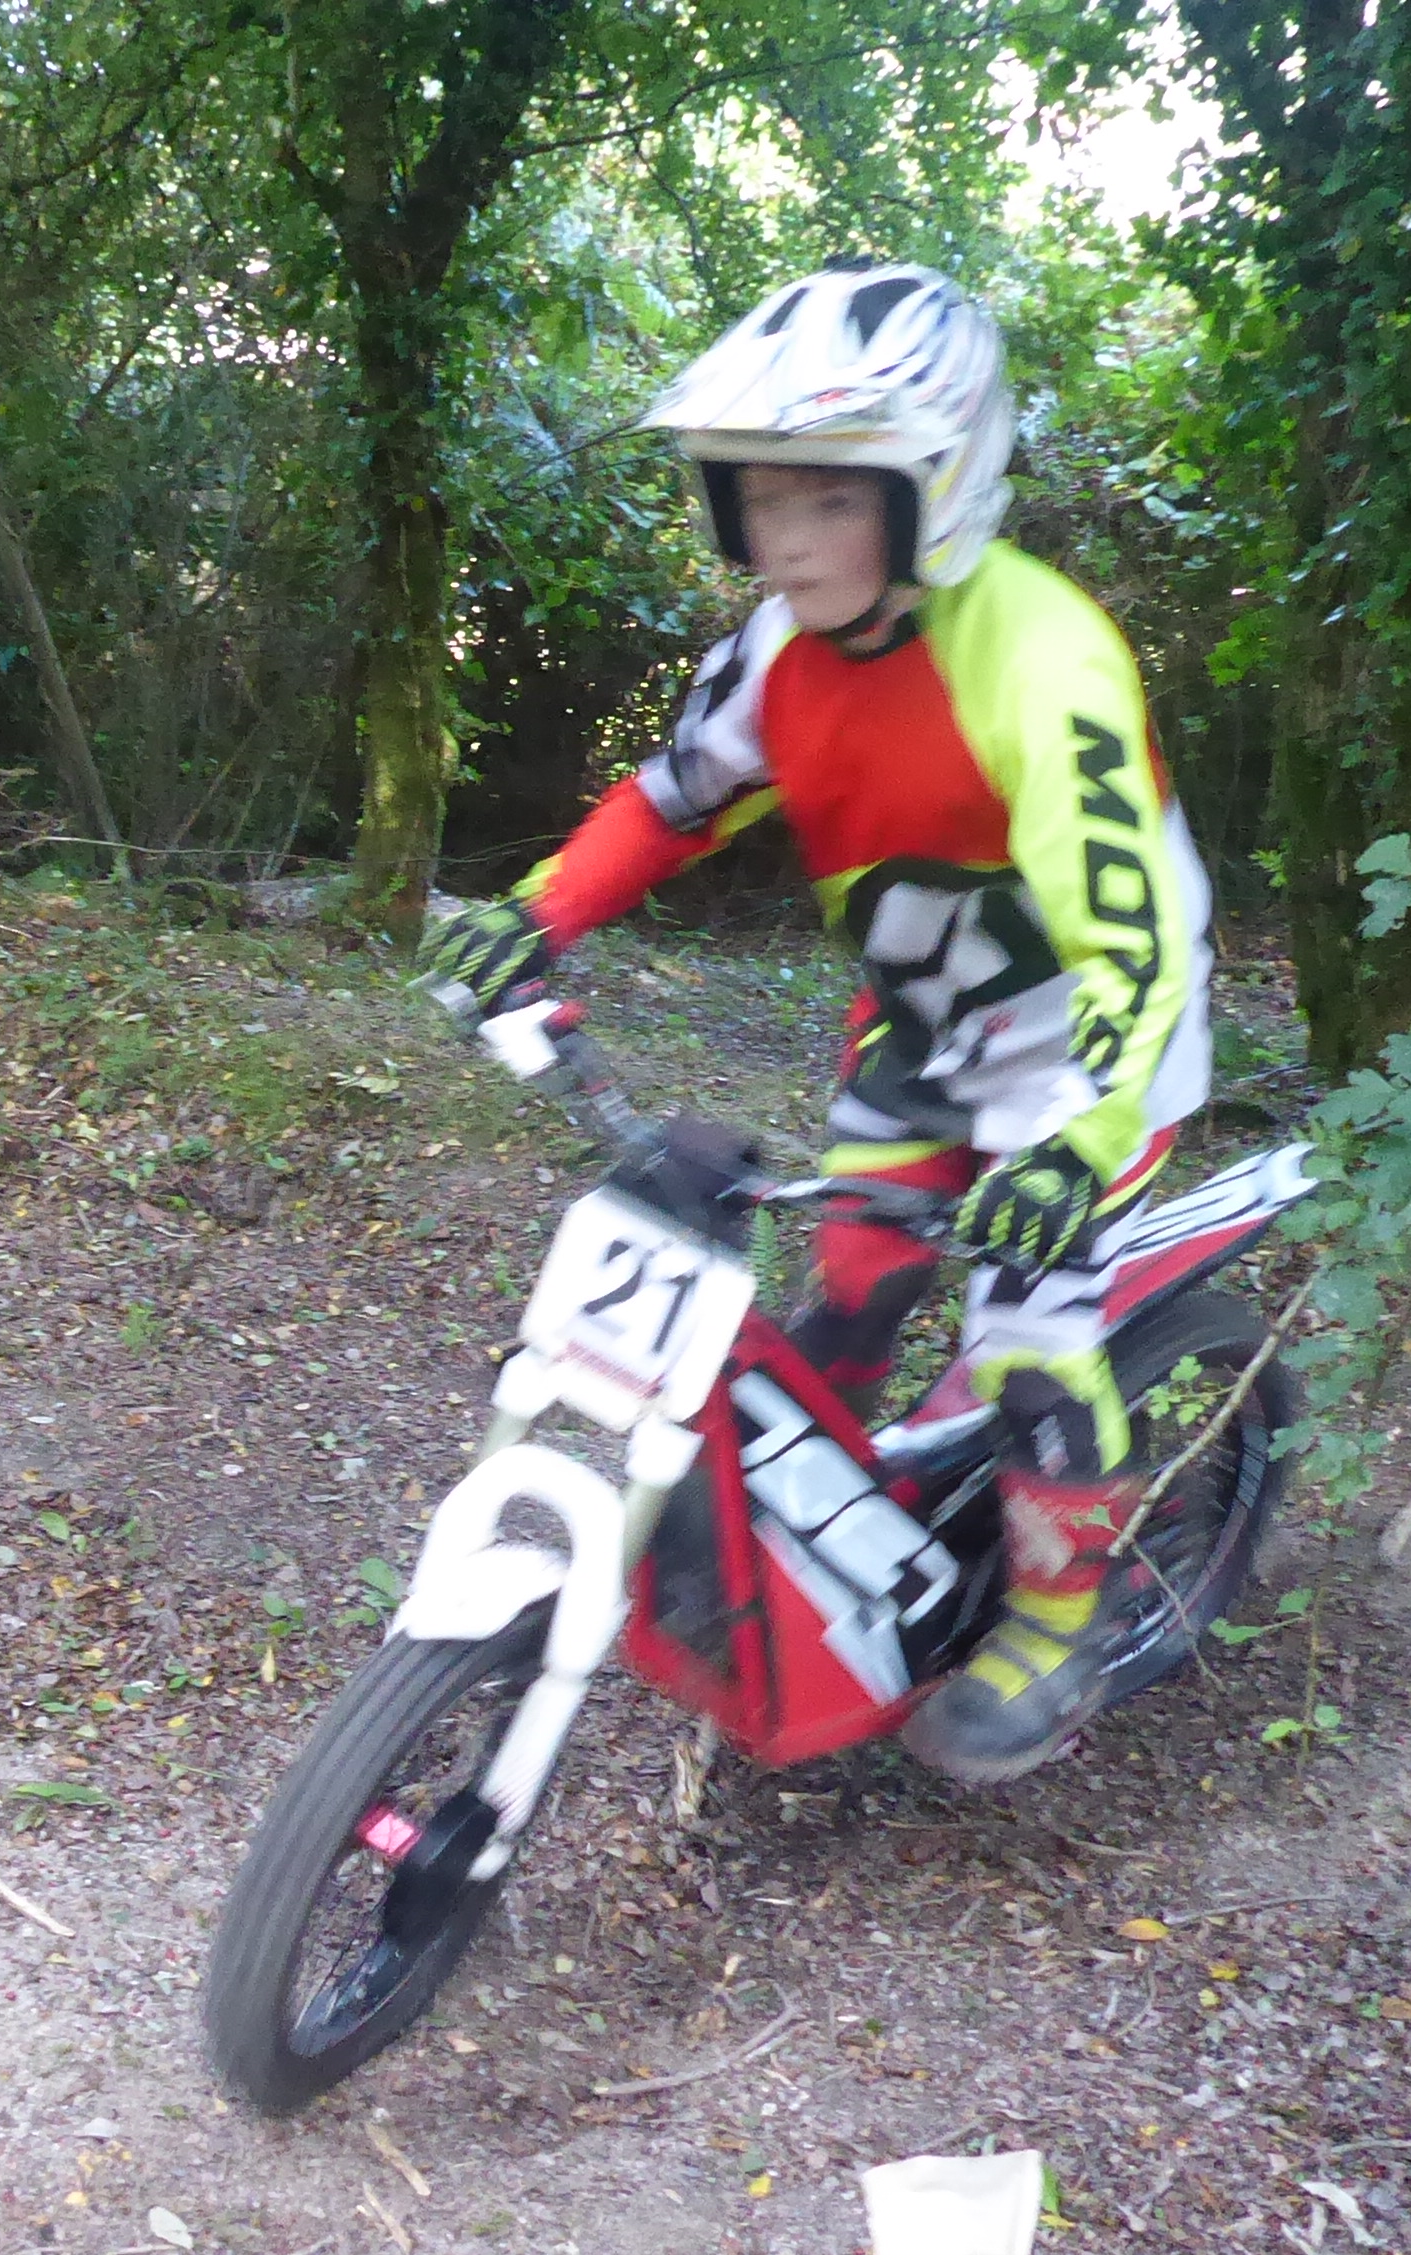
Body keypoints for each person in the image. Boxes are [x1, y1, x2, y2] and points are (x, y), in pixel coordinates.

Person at [418, 260, 1215, 1784]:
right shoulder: (780, 652)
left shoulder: (1045, 662)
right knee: (849, 1286)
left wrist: (1075, 1146)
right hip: (920, 1022)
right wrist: (537, 913)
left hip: (1091, 1040)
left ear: (935, 489)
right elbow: (676, 800)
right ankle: (821, 1573)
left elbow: (1133, 943)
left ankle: (1060, 1622)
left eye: (831, 500)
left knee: (1027, 1334)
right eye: (761, 499)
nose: (783, 540)